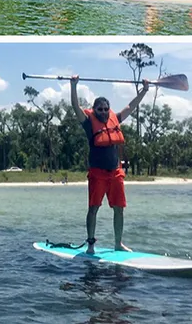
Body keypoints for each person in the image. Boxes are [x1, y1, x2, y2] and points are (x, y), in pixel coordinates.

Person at [70, 75, 151, 254]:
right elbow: (75, 106)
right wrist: (73, 86)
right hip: (97, 173)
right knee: (93, 209)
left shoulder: (115, 119)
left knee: (119, 209)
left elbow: (131, 106)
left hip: (115, 172)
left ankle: (118, 244)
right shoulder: (89, 124)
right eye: (100, 109)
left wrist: (144, 90)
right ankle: (91, 244)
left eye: (106, 109)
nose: (104, 112)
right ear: (95, 110)